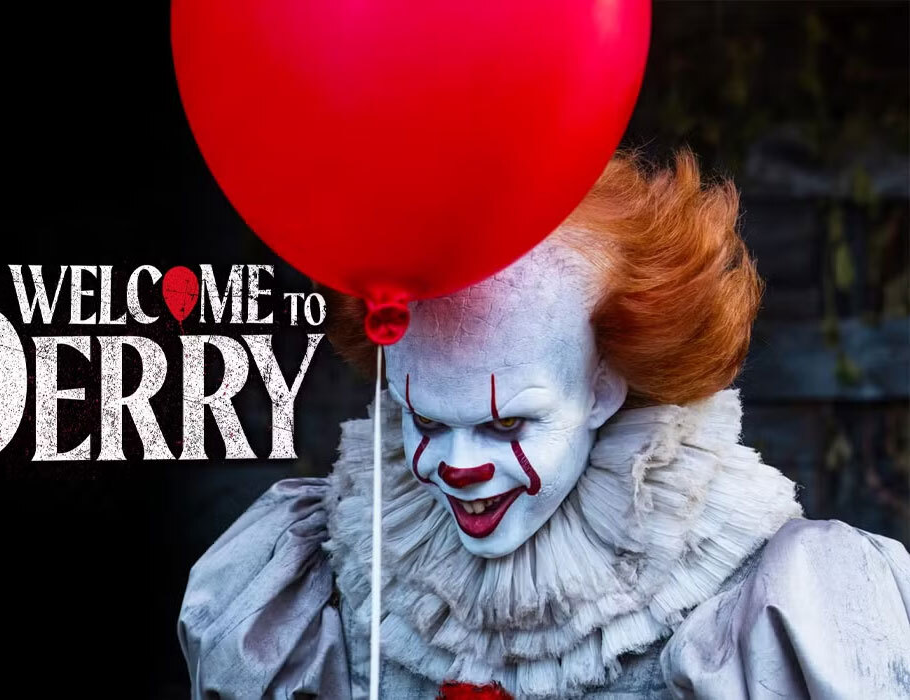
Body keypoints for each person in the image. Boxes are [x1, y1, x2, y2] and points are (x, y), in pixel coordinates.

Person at [178, 151, 910, 699]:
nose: (457, 465)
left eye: (506, 424)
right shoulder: (307, 574)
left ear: (603, 388)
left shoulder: (780, 604)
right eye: (424, 418)